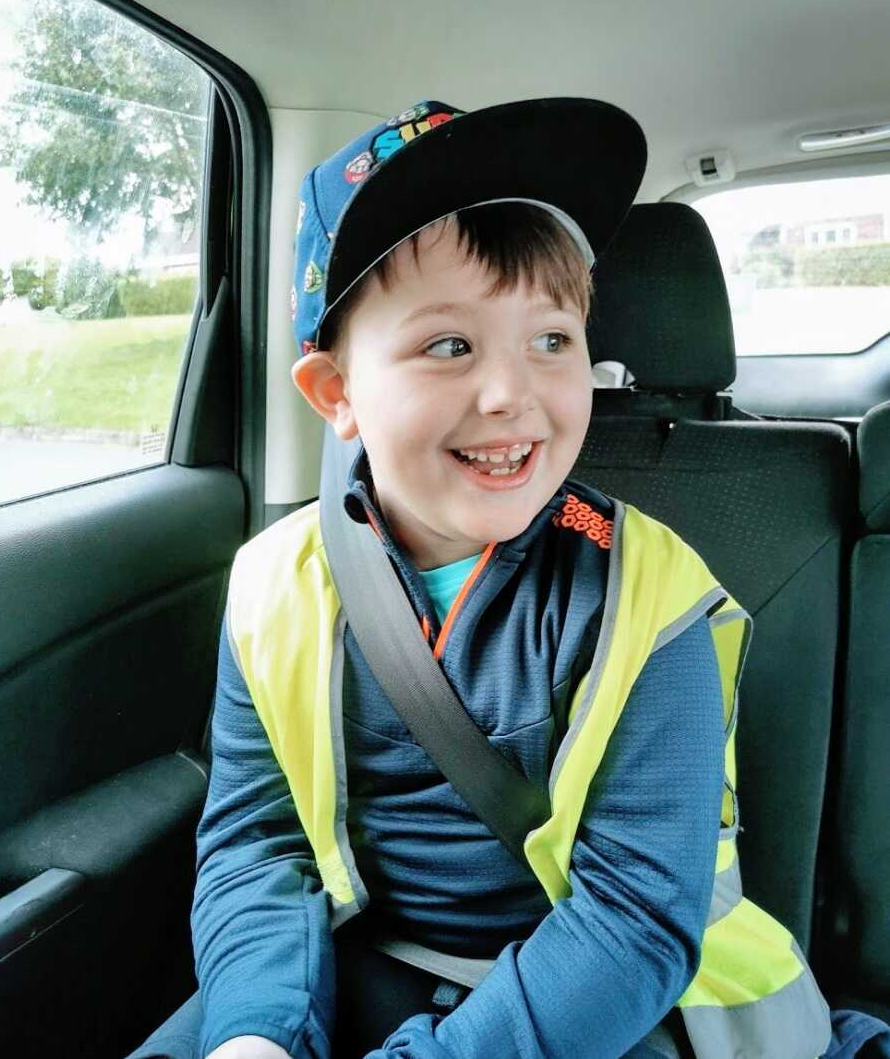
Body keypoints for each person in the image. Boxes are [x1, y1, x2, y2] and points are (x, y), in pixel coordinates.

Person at [128, 99, 890, 1059]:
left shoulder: (644, 595)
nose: (511, 393)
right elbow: (259, 845)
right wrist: (255, 1031)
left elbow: (636, 915)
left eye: (552, 340)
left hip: (606, 994)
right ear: (336, 394)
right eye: (450, 345)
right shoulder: (276, 586)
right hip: (362, 957)